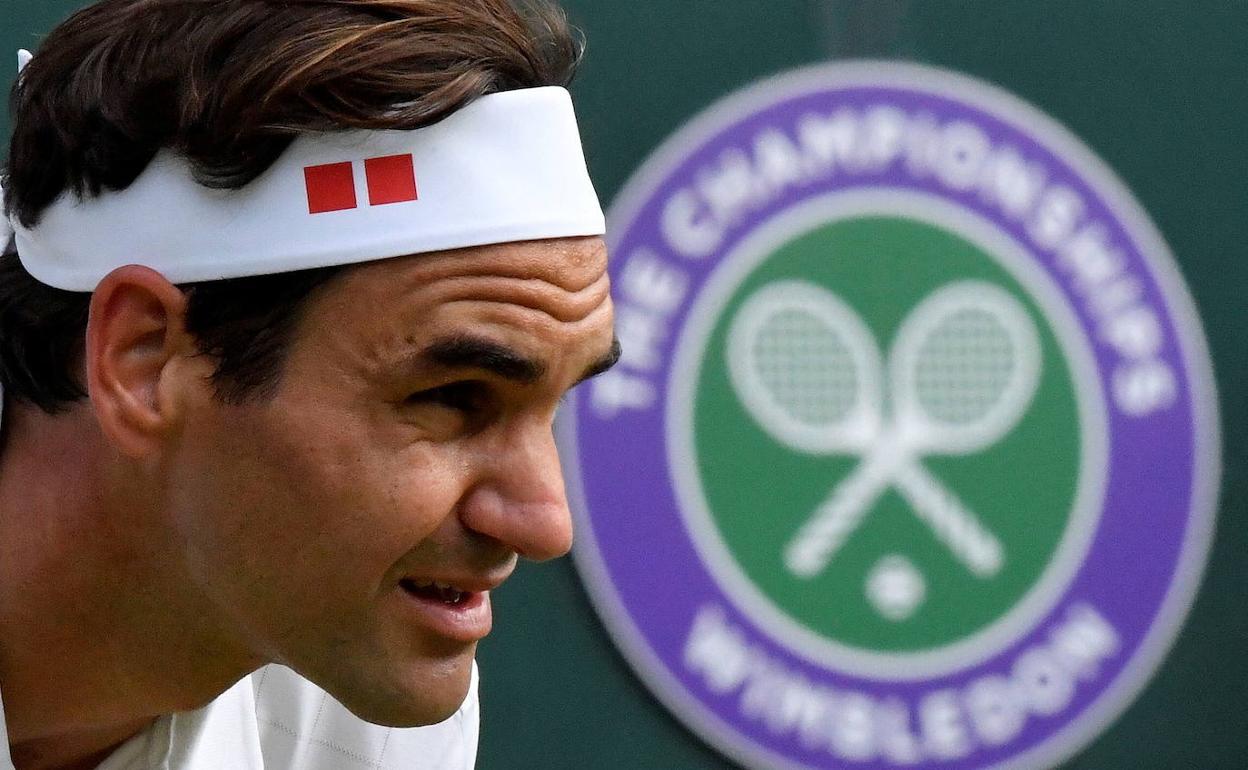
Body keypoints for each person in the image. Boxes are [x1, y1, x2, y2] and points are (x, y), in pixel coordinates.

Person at [0, 0, 617, 767]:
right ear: (144, 360)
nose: (545, 524)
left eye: (551, 407)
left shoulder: (369, 722)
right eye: (452, 397)